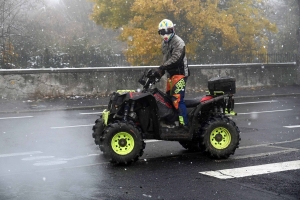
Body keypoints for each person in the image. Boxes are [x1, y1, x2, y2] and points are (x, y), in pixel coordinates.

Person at [155, 19, 190, 133]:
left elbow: (176, 59)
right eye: (162, 32)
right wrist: (160, 72)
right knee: (167, 99)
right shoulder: (164, 44)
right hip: (171, 75)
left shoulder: (178, 42)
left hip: (180, 74)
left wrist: (162, 67)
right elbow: (166, 60)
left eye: (168, 31)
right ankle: (172, 121)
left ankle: (184, 124)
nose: (165, 35)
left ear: (173, 30)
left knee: (177, 100)